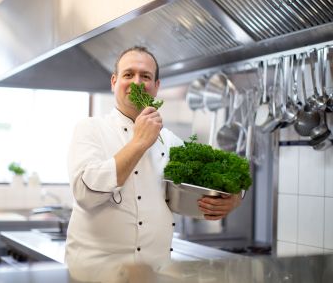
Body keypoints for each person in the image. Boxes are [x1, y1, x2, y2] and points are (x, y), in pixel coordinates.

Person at [65, 46, 242, 281]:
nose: (137, 82)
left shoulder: (170, 142)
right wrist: (139, 142)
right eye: (129, 74)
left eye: (145, 76)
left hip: (154, 275)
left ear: (156, 87)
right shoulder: (90, 129)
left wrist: (234, 196)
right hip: (96, 277)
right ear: (114, 81)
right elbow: (85, 194)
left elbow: (206, 182)